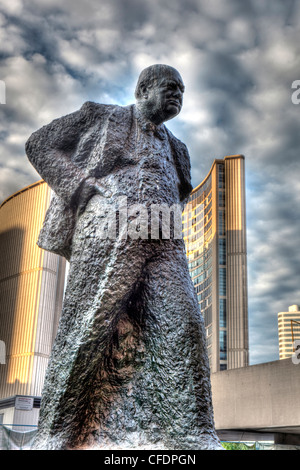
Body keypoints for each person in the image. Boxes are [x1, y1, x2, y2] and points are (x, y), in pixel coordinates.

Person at [26, 64, 221, 450]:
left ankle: (193, 434)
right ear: (143, 89)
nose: (178, 94)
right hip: (109, 229)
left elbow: (178, 193)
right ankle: (57, 432)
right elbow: (39, 144)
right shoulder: (101, 116)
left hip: (165, 237)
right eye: (170, 87)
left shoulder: (178, 148)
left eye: (183, 90)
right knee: (91, 324)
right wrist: (80, 187)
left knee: (185, 324)